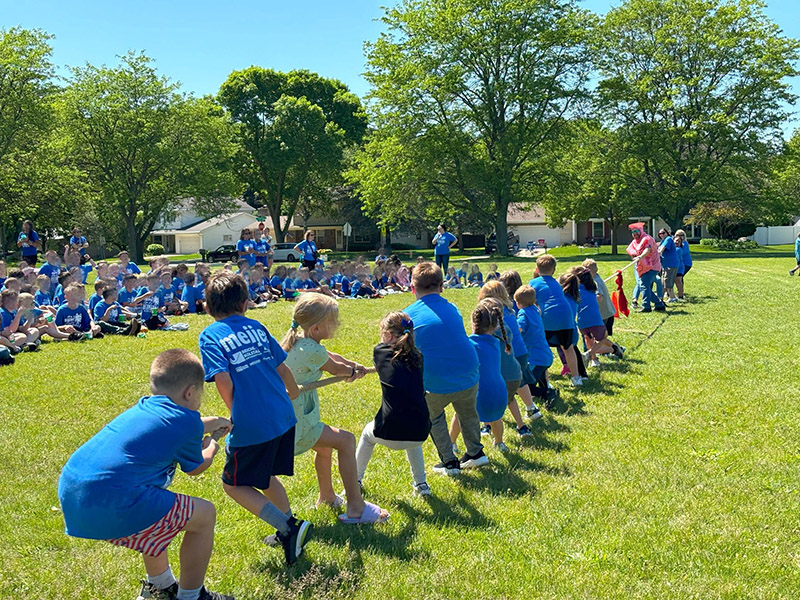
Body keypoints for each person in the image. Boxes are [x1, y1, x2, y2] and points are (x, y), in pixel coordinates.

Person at [57, 349, 234, 600]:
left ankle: (160, 588)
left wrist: (213, 421)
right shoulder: (185, 422)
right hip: (114, 501)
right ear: (190, 392)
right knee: (205, 515)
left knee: (156, 506)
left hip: (74, 493)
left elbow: (183, 425)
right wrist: (213, 445)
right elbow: (197, 467)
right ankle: (192, 596)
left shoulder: (147, 407)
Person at [198, 272, 313, 565]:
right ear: (245, 303)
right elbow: (282, 368)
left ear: (208, 307)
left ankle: (288, 528)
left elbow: (222, 380)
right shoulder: (257, 326)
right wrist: (293, 392)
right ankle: (288, 525)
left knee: (233, 484)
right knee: (264, 477)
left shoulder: (210, 335)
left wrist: (235, 412)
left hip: (254, 422)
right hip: (283, 416)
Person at [281, 294, 390, 524]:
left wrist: (354, 366)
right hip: (297, 422)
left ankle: (328, 497)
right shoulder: (310, 350)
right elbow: (334, 367)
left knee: (324, 449)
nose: (337, 325)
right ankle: (356, 506)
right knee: (347, 441)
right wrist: (348, 372)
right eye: (333, 322)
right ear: (317, 327)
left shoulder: (303, 342)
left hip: (293, 414)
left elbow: (333, 358)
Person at [404, 261, 487, 476]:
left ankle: (449, 462)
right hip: (469, 372)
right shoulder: (452, 307)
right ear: (442, 286)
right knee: (468, 413)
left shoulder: (407, 316)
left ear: (413, 288)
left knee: (434, 417)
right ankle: (476, 453)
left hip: (436, 381)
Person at [355, 311, 432, 496]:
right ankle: (421, 485)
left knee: (366, 436)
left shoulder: (380, 352)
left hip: (388, 430)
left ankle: (354, 480)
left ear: (388, 335)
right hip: (421, 430)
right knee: (412, 427)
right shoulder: (418, 356)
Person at [450, 299, 512, 453]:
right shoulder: (496, 343)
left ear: (473, 322)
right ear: (495, 326)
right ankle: (499, 443)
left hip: (480, 396)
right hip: (499, 395)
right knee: (496, 419)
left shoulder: (469, 344)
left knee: (460, 413)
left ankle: (451, 443)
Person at [478, 281, 542, 424]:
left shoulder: (493, 315)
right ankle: (531, 407)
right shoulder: (509, 309)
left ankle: (489, 422)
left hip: (508, 354)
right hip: (522, 352)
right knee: (521, 381)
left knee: (504, 386)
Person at [530, 255, 583, 387]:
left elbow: (531, 301)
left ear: (537, 269)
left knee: (543, 348)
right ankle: (576, 378)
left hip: (547, 318)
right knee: (568, 347)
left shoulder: (533, 283)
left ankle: (546, 382)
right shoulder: (557, 283)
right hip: (566, 316)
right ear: (553, 270)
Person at [514, 285, 558, 408]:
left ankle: (547, 393)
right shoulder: (535, 309)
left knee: (525, 385)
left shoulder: (523, 313)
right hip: (545, 354)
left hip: (535, 357)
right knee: (540, 375)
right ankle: (547, 389)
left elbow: (519, 329)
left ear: (518, 303)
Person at [582, 259, 625, 359]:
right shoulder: (597, 277)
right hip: (607, 313)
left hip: (602, 315)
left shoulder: (595, 282)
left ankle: (590, 353)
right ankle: (613, 349)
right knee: (602, 337)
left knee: (595, 337)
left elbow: (599, 298)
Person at [575, 268, 615, 368]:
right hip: (595, 319)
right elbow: (599, 297)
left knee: (588, 340)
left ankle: (593, 358)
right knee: (602, 338)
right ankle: (613, 349)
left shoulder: (576, 290)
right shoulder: (593, 287)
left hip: (582, 321)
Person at [626, 223, 665, 313]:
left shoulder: (647, 239)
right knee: (644, 286)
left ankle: (646, 306)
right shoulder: (635, 242)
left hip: (652, 266)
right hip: (642, 267)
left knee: (644, 285)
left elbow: (647, 251)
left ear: (640, 231)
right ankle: (659, 304)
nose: (634, 233)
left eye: (636, 231)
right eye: (632, 232)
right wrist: (635, 257)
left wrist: (640, 257)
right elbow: (632, 252)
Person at [657, 228, 679, 303]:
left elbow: (661, 250)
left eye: (663, 233)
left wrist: (658, 253)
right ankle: (672, 297)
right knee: (665, 281)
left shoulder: (668, 239)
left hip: (671, 264)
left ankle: (660, 298)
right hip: (665, 265)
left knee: (666, 282)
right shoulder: (662, 241)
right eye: (660, 234)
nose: (661, 235)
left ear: (667, 233)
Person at [674, 229, 693, 298]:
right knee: (678, 278)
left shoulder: (684, 244)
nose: (680, 236)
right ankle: (680, 293)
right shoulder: (677, 243)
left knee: (679, 278)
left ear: (684, 236)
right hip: (680, 264)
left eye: (681, 235)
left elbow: (680, 253)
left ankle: (680, 294)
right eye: (678, 235)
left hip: (686, 264)